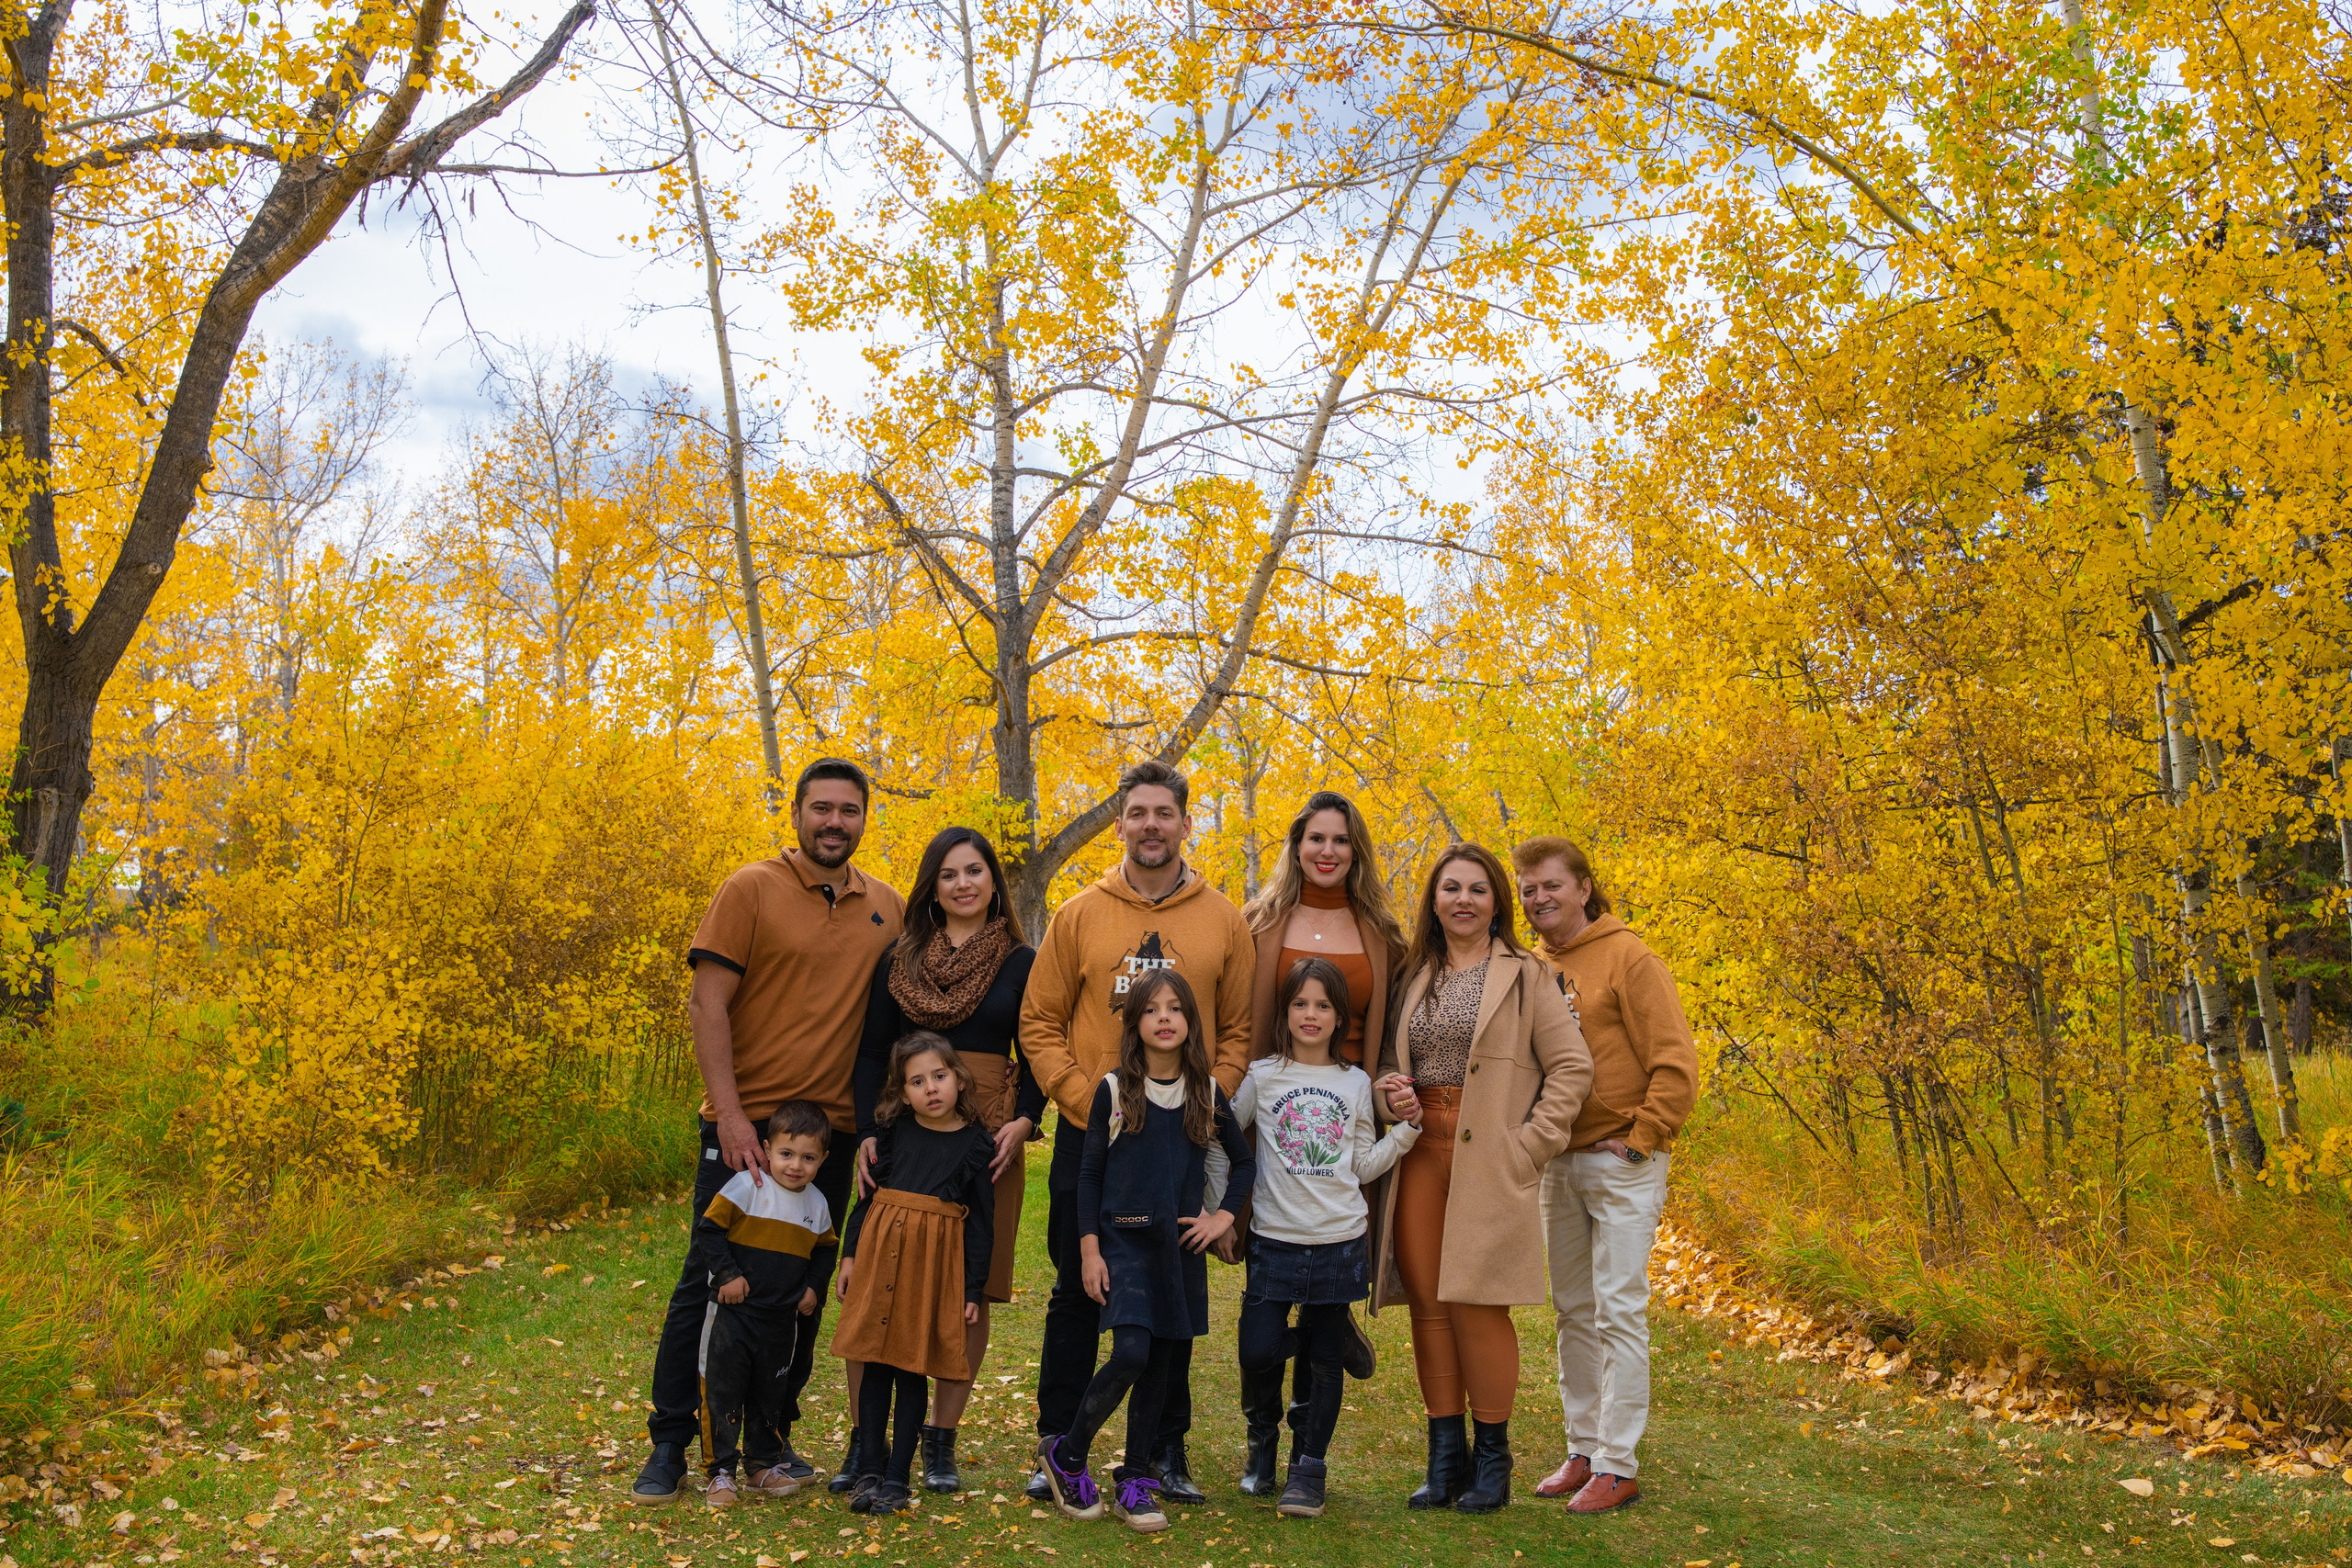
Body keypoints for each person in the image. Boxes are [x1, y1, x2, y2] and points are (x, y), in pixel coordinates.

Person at [633, 758, 907, 1506]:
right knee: (710, 1282)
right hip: (747, 1134)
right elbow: (706, 1005)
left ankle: (767, 1439)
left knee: (795, 1294)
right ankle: (671, 1442)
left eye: (849, 811)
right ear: (794, 813)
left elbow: (906, 1020)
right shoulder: (749, 888)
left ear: (862, 819)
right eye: (821, 808)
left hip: (830, 1142)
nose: (834, 822)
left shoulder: (887, 905)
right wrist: (730, 1115)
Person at [1019, 759, 1255, 1505]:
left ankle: (1160, 1453)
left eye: (1165, 812)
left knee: (1172, 1294)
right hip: (1098, 1133)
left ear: (1187, 822)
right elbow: (1039, 1019)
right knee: (1076, 1290)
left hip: (1181, 1139)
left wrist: (1204, 1105)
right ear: (1118, 822)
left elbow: (1242, 1029)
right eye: (1137, 813)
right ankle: (1058, 1441)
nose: (1151, 824)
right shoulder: (1080, 913)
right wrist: (1086, 1101)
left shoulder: (1223, 918)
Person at [1368, 842, 1591, 1514]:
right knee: (1431, 1306)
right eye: (1450, 887)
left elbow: (1573, 1069)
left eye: (1478, 888)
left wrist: (1527, 1148)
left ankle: (1492, 1458)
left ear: (1497, 901)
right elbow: (1386, 1069)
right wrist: (1390, 1098)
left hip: (1488, 1157)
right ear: (1434, 900)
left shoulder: (1526, 974)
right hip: (1418, 1156)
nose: (1463, 898)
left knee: (1477, 1302)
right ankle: (1446, 1460)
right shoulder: (1413, 972)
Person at [851, 826, 1040, 1494]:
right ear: (932, 884)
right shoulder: (899, 959)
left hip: (989, 1129)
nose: (963, 883)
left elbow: (1040, 1043)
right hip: (905, 1127)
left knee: (972, 1284)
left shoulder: (1021, 959)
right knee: (881, 1275)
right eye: (949, 873)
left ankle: (940, 1437)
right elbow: (875, 1049)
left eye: (975, 871)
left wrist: (1025, 1119)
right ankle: (864, 1440)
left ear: (994, 882)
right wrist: (867, 1130)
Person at [1230, 789, 1408, 1494]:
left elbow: (1396, 1023)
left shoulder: (1382, 932)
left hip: (1354, 1106)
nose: (1327, 851)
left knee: (1336, 1249)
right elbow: (1237, 1014)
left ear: (1355, 850)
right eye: (1315, 839)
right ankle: (1269, 1424)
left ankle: (1311, 1447)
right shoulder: (1260, 922)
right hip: (1275, 1103)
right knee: (1269, 1285)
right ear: (1296, 845)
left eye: (1341, 840)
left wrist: (1393, 1088)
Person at [1514, 837, 1699, 1514]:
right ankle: (1584, 1450)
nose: (1539, 899)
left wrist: (1643, 1139)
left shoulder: (1630, 956)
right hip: (1558, 1162)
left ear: (1584, 887)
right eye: (1528, 888)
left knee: (1619, 1307)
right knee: (1573, 1312)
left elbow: (1676, 1062)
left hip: (1623, 1161)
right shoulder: (1532, 965)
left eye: (1551, 886)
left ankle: (1620, 1463)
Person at [1036, 969, 1256, 1535]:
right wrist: (1089, 1251)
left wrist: (1223, 1216)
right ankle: (1068, 1453)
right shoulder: (1113, 1088)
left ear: (1191, 1022)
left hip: (1178, 1250)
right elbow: (1089, 1176)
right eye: (1152, 1008)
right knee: (1131, 1352)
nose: (1164, 1017)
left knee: (1162, 1366)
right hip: (1123, 1245)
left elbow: (1244, 1161)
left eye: (1175, 1008)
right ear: (1134, 1021)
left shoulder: (1206, 1092)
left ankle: (1136, 1479)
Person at [1225, 956, 1421, 1517]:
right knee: (1258, 1349)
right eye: (1300, 1003)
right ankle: (1263, 1435)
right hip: (1274, 1240)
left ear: (1341, 1020)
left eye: (1324, 1006)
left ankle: (1308, 1466)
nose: (1311, 1015)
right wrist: (1220, 1208)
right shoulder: (1263, 1077)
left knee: (1324, 1362)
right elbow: (1227, 1138)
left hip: (1338, 1241)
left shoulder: (1355, 1083)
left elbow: (1359, 1166)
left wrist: (1404, 1135)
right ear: (1284, 1012)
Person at [831, 1034, 997, 1516]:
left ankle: (898, 1477)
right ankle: (868, 1469)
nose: (931, 1089)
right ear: (903, 1093)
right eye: (917, 1082)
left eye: (939, 1077)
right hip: (881, 1257)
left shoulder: (975, 1145)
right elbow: (865, 1199)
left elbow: (982, 1226)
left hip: (931, 1268)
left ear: (959, 1080)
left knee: (910, 1366)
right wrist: (849, 1257)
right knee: (875, 1361)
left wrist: (971, 1288)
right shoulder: (890, 1133)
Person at [688, 1101, 839, 1509]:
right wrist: (727, 1276)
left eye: (808, 1158)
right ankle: (719, 1471)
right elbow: (710, 1229)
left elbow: (825, 1252)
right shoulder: (746, 1187)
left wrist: (813, 1289)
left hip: (779, 1321)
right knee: (721, 1390)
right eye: (786, 1154)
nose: (795, 1166)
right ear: (768, 1148)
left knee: (768, 1394)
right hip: (732, 1315)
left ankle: (760, 1466)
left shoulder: (817, 1204)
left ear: (823, 1159)